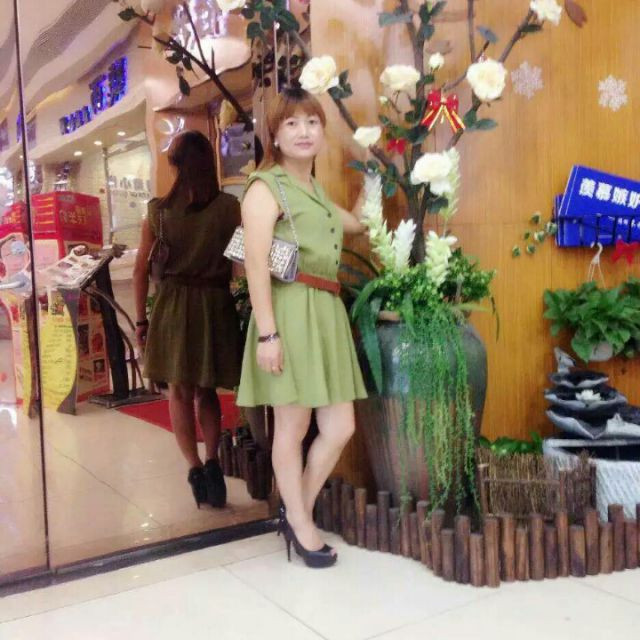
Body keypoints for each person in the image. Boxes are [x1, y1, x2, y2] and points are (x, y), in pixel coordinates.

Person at [237, 87, 368, 568]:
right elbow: (255, 263)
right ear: (273, 134)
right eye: (291, 123)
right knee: (292, 426)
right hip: (289, 312)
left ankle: (297, 511)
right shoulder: (264, 187)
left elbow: (355, 224)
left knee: (340, 425)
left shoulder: (313, 190)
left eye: (312, 122)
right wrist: (268, 334)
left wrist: (374, 173)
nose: (303, 131)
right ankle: (300, 521)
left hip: (325, 312)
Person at [133, 130, 241, 509]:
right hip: (214, 304)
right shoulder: (229, 207)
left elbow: (140, 271)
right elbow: (242, 259)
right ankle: (212, 461)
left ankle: (195, 470)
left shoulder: (158, 213)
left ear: (176, 165)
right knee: (206, 390)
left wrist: (141, 321)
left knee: (179, 392)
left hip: (173, 307)